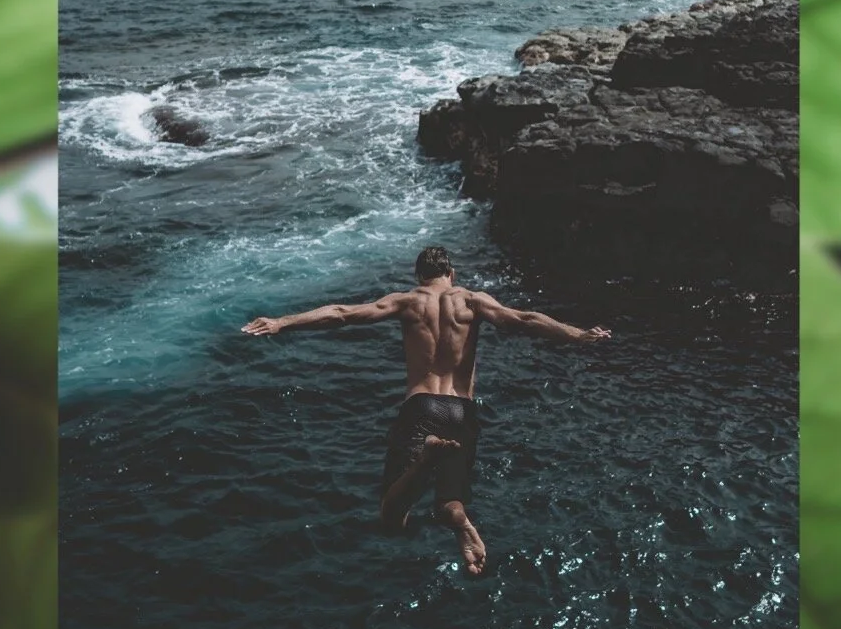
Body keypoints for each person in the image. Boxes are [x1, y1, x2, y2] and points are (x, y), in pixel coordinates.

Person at [241, 245, 610, 576]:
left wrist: (281, 322)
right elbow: (524, 320)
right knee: (449, 501)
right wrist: (577, 334)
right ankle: (459, 520)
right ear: (452, 273)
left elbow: (342, 313)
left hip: (420, 405)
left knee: (391, 516)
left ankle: (424, 459)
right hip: (461, 409)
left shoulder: (408, 301)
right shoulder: (472, 300)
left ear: (420, 276)